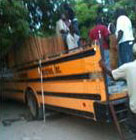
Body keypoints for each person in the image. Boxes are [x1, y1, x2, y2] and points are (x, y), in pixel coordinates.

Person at [100, 43, 136, 135]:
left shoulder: (128, 67)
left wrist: (103, 66)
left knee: (130, 104)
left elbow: (112, 75)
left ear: (133, 54)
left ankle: (132, 128)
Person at [89, 18, 110, 85]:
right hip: (105, 48)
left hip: (97, 50)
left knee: (99, 65)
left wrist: (95, 50)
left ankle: (102, 82)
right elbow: (107, 38)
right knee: (106, 64)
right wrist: (109, 45)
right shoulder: (104, 27)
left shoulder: (92, 30)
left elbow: (91, 42)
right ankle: (108, 82)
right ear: (101, 22)